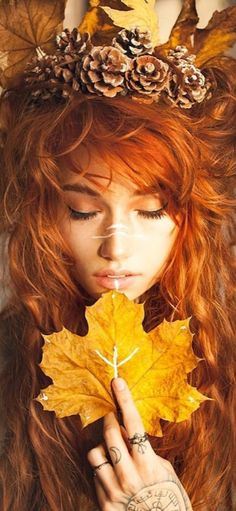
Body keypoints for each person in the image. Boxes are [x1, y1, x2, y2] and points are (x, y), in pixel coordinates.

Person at [0, 2, 235, 510]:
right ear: (44, 212)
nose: (117, 248)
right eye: (83, 211)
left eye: (151, 210)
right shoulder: (6, 362)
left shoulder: (226, 366)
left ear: (189, 217)